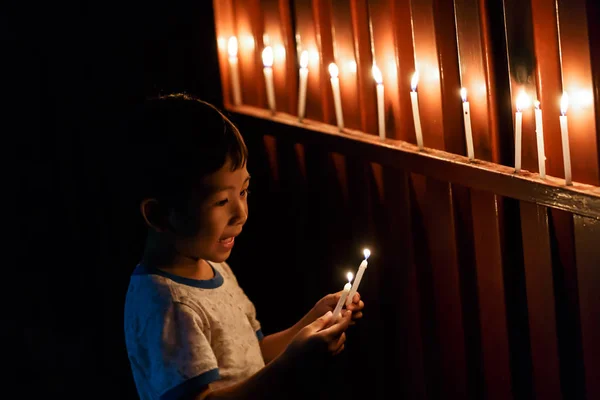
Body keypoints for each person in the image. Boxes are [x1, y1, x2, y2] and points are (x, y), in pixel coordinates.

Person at [123, 94, 365, 400]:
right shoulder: (167, 304)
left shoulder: (214, 267)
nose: (241, 213)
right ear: (159, 215)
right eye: (222, 201)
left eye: (244, 191)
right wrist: (293, 365)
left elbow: (253, 356)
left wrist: (315, 322)